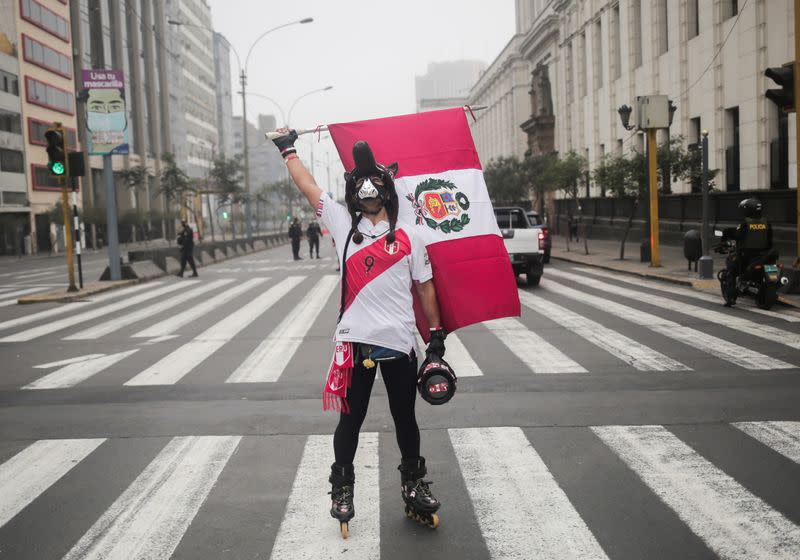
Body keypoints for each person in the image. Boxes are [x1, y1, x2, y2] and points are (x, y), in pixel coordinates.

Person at [272, 129, 447, 536]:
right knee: (350, 421)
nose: (368, 193)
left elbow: (426, 286)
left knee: (406, 418)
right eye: (362, 188)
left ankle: (413, 484)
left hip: (401, 343)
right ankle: (343, 487)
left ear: (386, 192)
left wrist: (435, 335)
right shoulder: (340, 224)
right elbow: (308, 186)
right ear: (354, 194)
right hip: (354, 343)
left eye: (375, 187)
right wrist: (287, 149)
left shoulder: (410, 235)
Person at [721, 198, 774, 302]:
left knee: (731, 270)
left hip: (746, 256)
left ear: (747, 210)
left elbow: (737, 235)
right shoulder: (766, 222)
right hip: (763, 255)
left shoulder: (745, 223)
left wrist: (727, 233)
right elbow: (770, 240)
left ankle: (730, 298)